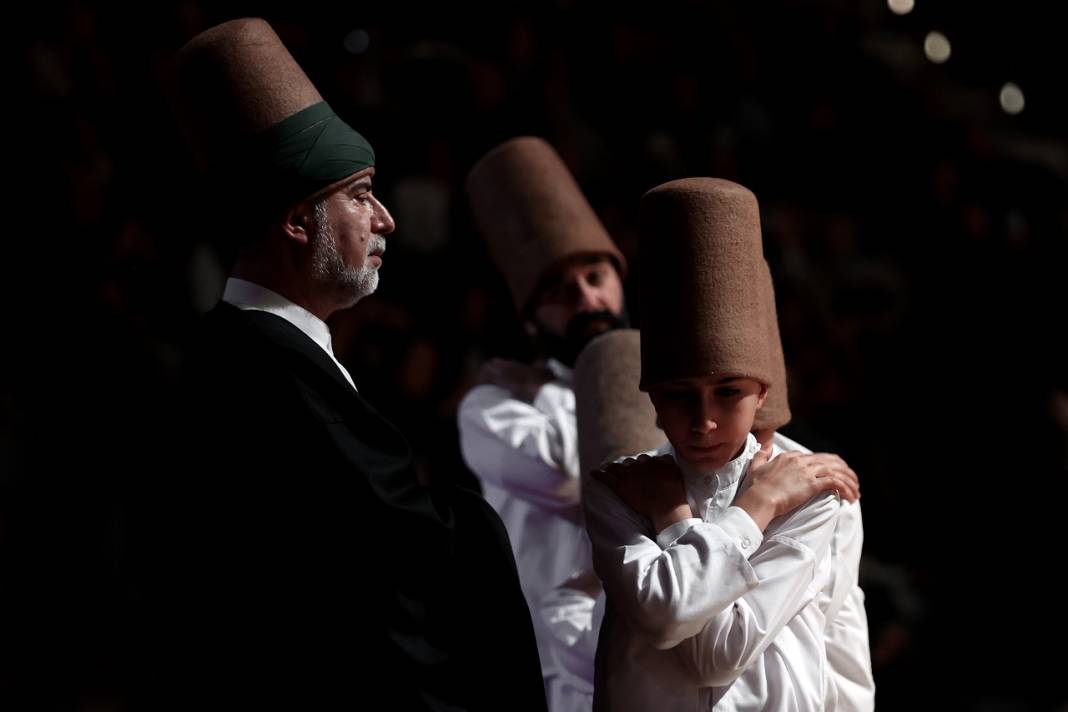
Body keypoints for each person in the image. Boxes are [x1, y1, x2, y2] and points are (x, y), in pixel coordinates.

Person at [151, 18, 545, 711]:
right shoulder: (271, 373)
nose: (386, 218)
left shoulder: (240, 353)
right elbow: (400, 565)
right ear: (299, 221)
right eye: (361, 194)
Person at [584, 178, 860, 711]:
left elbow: (724, 652)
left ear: (762, 393)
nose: (704, 422)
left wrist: (673, 521)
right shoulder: (618, 486)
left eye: (728, 392)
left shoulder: (807, 487)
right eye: (679, 395)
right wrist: (753, 508)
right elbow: (667, 612)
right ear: (652, 399)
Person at [458, 136, 627, 693]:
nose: (585, 299)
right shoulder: (493, 405)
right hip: (555, 671)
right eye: (559, 290)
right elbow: (567, 477)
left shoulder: (667, 391)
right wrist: (609, 381)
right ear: (531, 319)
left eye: (595, 278)